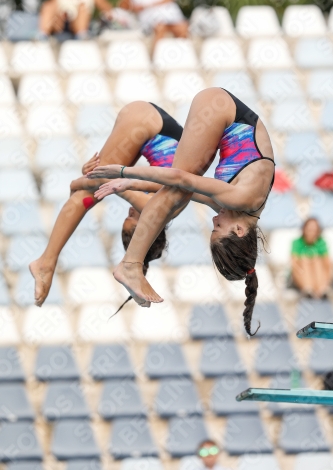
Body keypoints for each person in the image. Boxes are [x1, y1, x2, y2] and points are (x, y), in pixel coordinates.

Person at [88, 87, 276, 336]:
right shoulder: (242, 198)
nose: (214, 220)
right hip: (220, 107)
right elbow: (178, 179)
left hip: (222, 112)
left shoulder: (237, 208)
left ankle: (131, 264)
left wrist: (131, 184)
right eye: (218, 228)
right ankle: (130, 264)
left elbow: (181, 187)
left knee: (180, 193)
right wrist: (123, 171)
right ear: (239, 231)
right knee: (178, 190)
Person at [29, 101, 183, 306]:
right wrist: (80, 181)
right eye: (132, 217)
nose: (130, 210)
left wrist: (87, 179)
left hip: (151, 127)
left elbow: (114, 178)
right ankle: (46, 262)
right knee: (88, 192)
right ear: (148, 227)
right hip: (149, 123)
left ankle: (46, 261)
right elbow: (104, 182)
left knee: (88, 192)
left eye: (126, 217)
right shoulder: (155, 209)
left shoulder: (167, 204)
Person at [119, 0, 188, 49]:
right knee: (160, 27)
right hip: (149, 21)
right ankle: (156, 56)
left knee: (182, 27)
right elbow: (123, 7)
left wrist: (145, 6)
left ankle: (182, 52)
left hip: (170, 18)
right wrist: (135, 8)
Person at [291, 217, 331, 299]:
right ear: (304, 229)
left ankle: (321, 288)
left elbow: (327, 264)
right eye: (309, 229)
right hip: (302, 277)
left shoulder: (321, 242)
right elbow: (294, 265)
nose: (311, 232)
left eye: (314, 229)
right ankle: (308, 288)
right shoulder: (297, 242)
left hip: (318, 278)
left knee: (318, 261)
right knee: (305, 261)